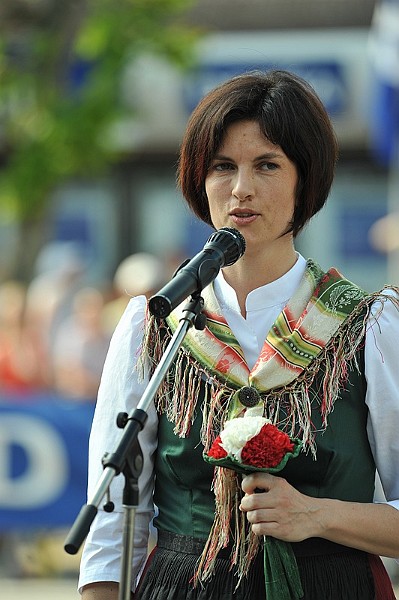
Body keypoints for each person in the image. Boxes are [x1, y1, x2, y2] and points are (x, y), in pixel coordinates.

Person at [78, 70, 399, 599]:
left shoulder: (369, 325)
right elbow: (113, 522)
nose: (241, 189)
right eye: (223, 167)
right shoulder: (156, 324)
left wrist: (316, 515)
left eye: (267, 165)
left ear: (306, 179)